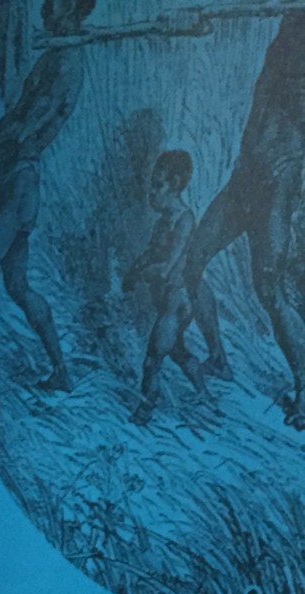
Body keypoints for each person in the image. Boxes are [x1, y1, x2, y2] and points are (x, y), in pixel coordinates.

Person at [0, 0, 98, 392]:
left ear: (74, 10)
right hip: (20, 185)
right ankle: (61, 371)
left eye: (58, 4)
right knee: (17, 286)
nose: (47, 9)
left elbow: (21, 128)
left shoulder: (64, 64)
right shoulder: (60, 56)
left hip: (18, 186)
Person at [183, 15, 305, 429]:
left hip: (277, 182)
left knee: (270, 288)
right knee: (193, 259)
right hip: (246, 176)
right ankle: (218, 358)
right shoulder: (286, 33)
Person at [123, 150, 213, 424]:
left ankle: (145, 409)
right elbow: (152, 253)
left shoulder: (184, 220)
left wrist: (142, 274)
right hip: (167, 301)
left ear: (174, 185)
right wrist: (135, 269)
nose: (151, 192)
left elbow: (166, 268)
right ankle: (203, 393)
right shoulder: (164, 221)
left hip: (177, 302)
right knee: (178, 350)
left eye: (157, 185)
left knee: (153, 359)